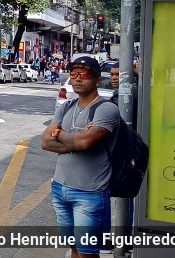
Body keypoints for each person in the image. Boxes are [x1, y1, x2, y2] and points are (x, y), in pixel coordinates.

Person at [42, 56, 120, 258]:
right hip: (60, 187)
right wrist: (74, 142)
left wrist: (59, 134)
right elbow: (45, 142)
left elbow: (84, 142)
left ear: (96, 79)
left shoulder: (106, 109)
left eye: (83, 74)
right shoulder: (66, 107)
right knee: (73, 248)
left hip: (90, 193)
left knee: (88, 253)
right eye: (73, 74)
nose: (77, 79)